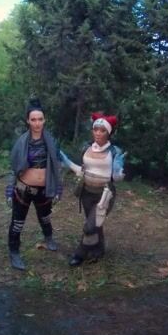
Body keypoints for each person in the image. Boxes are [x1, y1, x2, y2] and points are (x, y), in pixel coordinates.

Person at [59, 111, 126, 266]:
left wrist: (118, 171)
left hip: (105, 195)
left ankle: (80, 254)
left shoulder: (114, 152)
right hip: (87, 193)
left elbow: (117, 178)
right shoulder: (87, 148)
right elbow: (81, 170)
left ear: (109, 133)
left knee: (89, 227)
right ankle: (99, 249)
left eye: (102, 130)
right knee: (96, 223)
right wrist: (67, 161)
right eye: (95, 129)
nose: (98, 133)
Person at [5, 98, 64, 271]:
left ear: (44, 120)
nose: (37, 123)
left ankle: (48, 237)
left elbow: (58, 166)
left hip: (44, 189)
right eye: (33, 120)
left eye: (40, 119)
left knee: (45, 217)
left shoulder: (51, 142)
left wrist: (58, 188)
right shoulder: (21, 143)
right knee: (17, 223)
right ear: (28, 121)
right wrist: (9, 190)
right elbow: (13, 168)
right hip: (23, 189)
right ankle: (14, 252)